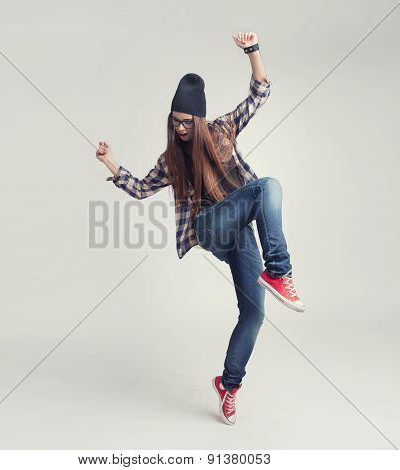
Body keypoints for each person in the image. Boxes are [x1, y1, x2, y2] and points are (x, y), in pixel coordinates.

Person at [96, 32, 306, 425]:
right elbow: (141, 189)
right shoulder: (171, 159)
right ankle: (280, 271)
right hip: (208, 227)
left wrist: (253, 50)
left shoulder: (223, 131)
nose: (179, 130)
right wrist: (111, 163)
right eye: (174, 123)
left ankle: (228, 385)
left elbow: (259, 92)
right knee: (267, 188)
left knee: (253, 313)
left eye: (186, 123)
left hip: (239, 232)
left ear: (200, 119)